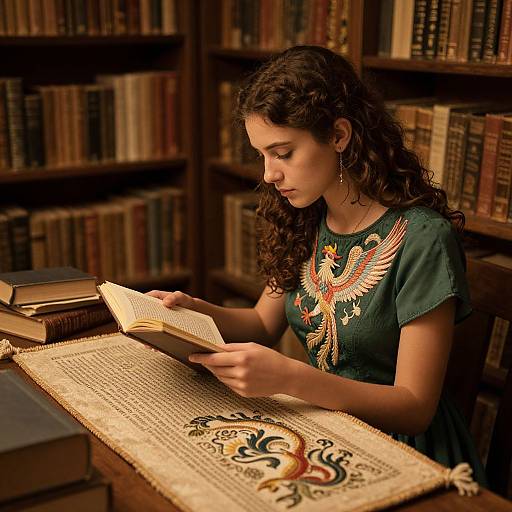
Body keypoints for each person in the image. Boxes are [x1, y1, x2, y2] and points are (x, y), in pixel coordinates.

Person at [148, 45, 486, 484]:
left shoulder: (422, 239)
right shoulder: (304, 218)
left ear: (339, 135)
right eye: (262, 155)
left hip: (406, 453)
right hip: (325, 431)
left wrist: (292, 378)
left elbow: (415, 407)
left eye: (283, 153)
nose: (269, 173)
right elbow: (261, 325)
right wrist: (192, 310)